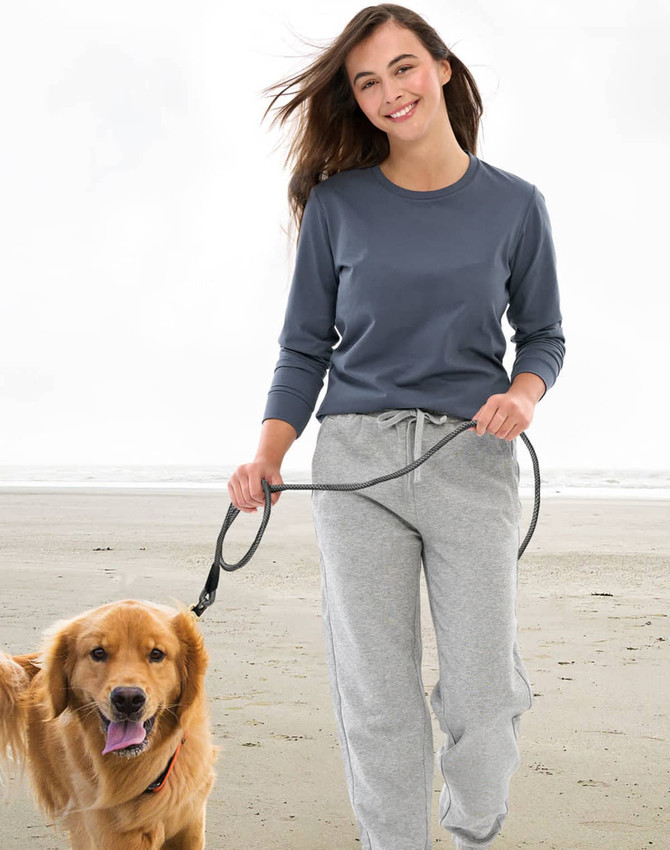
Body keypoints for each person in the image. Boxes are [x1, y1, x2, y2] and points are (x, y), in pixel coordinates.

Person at [228, 5, 565, 849]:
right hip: (356, 465)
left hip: (473, 458)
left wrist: (524, 395)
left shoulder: (516, 205)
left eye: (403, 68)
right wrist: (266, 455)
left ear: (442, 68)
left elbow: (544, 336)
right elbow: (304, 348)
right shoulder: (337, 206)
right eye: (368, 82)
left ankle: (473, 829)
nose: (390, 92)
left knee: (483, 690)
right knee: (376, 693)